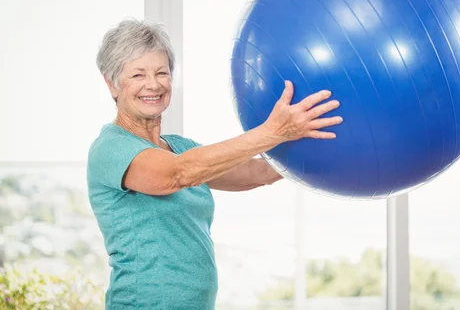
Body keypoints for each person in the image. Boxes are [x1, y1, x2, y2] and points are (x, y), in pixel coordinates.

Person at [86, 18, 343, 310]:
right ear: (112, 83)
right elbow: (176, 174)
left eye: (162, 72)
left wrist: (326, 148)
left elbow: (257, 173)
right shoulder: (111, 147)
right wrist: (273, 131)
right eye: (138, 75)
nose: (153, 84)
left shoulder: (181, 148)